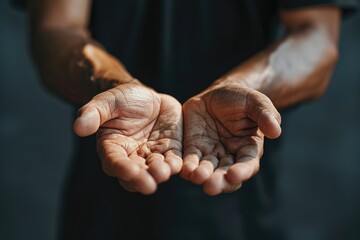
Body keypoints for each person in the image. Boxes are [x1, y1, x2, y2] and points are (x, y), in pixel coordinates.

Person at [25, 0, 357, 239]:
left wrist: (245, 87)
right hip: (104, 202)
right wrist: (114, 86)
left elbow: (316, 36)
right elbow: (56, 27)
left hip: (238, 205)